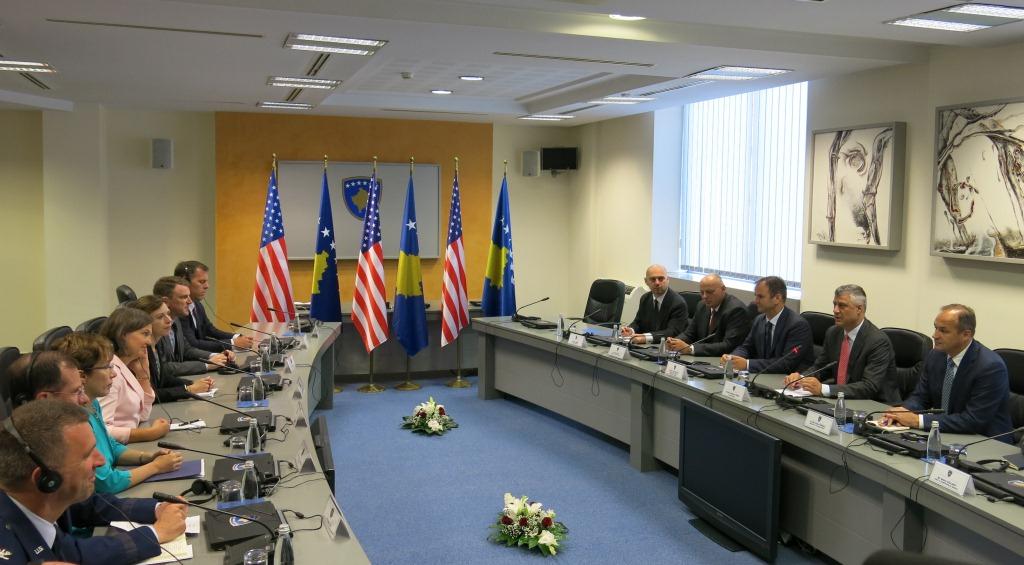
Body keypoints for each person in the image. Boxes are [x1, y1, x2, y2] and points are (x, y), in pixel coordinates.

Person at [0, 399, 187, 565]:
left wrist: (157, 511)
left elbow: (91, 507)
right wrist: (156, 533)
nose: (101, 461)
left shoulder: (44, 498)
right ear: (46, 479)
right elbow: (73, 555)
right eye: (87, 455)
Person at [52, 334, 184, 494]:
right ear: (82, 375)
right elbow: (107, 483)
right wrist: (155, 467)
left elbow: (111, 447)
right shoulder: (75, 420)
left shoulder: (93, 403)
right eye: (106, 367)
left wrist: (147, 457)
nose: (113, 374)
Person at [883, 305, 1012, 438]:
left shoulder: (990, 367)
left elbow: (973, 420)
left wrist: (918, 421)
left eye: (943, 331)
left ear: (966, 334)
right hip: (945, 431)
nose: (935, 335)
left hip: (984, 440)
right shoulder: (936, 355)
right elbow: (921, 397)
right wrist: (902, 413)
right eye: (936, 328)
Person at [782, 285, 900, 403]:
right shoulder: (833, 333)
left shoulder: (877, 341)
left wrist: (823, 389)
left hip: (876, 405)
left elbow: (869, 386)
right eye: (834, 304)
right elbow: (820, 367)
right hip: (841, 400)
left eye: (842, 305)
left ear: (859, 309)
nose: (835, 310)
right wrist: (801, 379)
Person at [97, 308, 168, 444]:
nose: (149, 342)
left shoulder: (125, 365)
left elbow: (142, 415)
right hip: (116, 450)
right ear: (123, 334)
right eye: (145, 334)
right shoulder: (110, 372)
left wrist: (143, 372)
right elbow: (102, 431)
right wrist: (151, 433)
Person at [128, 295, 215, 402]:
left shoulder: (157, 345)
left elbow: (163, 379)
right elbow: (150, 394)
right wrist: (188, 389)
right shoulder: (140, 352)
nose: (169, 320)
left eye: (168, 314)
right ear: (144, 323)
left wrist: (192, 383)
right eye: (160, 317)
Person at [724, 276, 815, 374]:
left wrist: (747, 364)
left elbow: (786, 363)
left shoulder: (797, 325)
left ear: (777, 298)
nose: (756, 301)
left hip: (788, 379)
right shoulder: (759, 320)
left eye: (760, 297)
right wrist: (733, 358)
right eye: (756, 296)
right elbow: (746, 347)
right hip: (763, 376)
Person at [152, 276, 230, 377]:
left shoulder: (176, 320)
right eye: (184, 297)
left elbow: (187, 350)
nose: (190, 301)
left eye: (189, 296)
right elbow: (164, 368)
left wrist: (216, 356)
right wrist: (206, 365)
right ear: (166, 302)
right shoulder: (154, 327)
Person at [173, 260, 255, 352]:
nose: (207, 286)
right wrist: (232, 343)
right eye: (202, 281)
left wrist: (237, 337)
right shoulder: (178, 310)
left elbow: (210, 330)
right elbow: (193, 344)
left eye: (206, 281)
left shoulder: (197, 305)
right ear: (184, 282)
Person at [666, 274, 751, 357]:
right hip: (702, 358)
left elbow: (729, 345)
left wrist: (690, 349)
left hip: (722, 360)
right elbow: (690, 334)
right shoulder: (702, 305)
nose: (705, 296)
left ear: (723, 289)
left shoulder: (736, 310)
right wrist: (674, 342)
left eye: (710, 292)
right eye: (702, 292)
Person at [620, 264, 689, 344]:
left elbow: (672, 332)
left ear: (667, 280)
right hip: (645, 346)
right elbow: (638, 322)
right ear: (646, 281)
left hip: (665, 346)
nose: (657, 283)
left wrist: (644, 338)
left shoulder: (678, 303)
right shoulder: (645, 298)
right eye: (653, 279)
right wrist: (631, 330)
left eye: (661, 278)